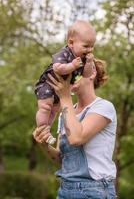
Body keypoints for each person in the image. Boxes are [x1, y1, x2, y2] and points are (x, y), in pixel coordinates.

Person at [33, 59, 117, 199]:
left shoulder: (104, 107)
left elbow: (76, 138)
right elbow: (61, 158)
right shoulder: (66, 112)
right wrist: (44, 144)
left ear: (92, 73)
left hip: (94, 190)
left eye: (76, 72)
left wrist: (64, 96)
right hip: (65, 189)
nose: (69, 76)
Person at [34, 20, 96, 144]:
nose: (89, 50)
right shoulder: (64, 53)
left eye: (92, 46)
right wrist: (72, 66)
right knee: (46, 107)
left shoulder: (84, 58)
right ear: (71, 43)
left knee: (54, 111)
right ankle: (41, 127)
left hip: (61, 90)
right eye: (86, 46)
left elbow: (86, 74)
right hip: (48, 85)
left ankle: (46, 130)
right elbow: (58, 68)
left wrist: (89, 63)